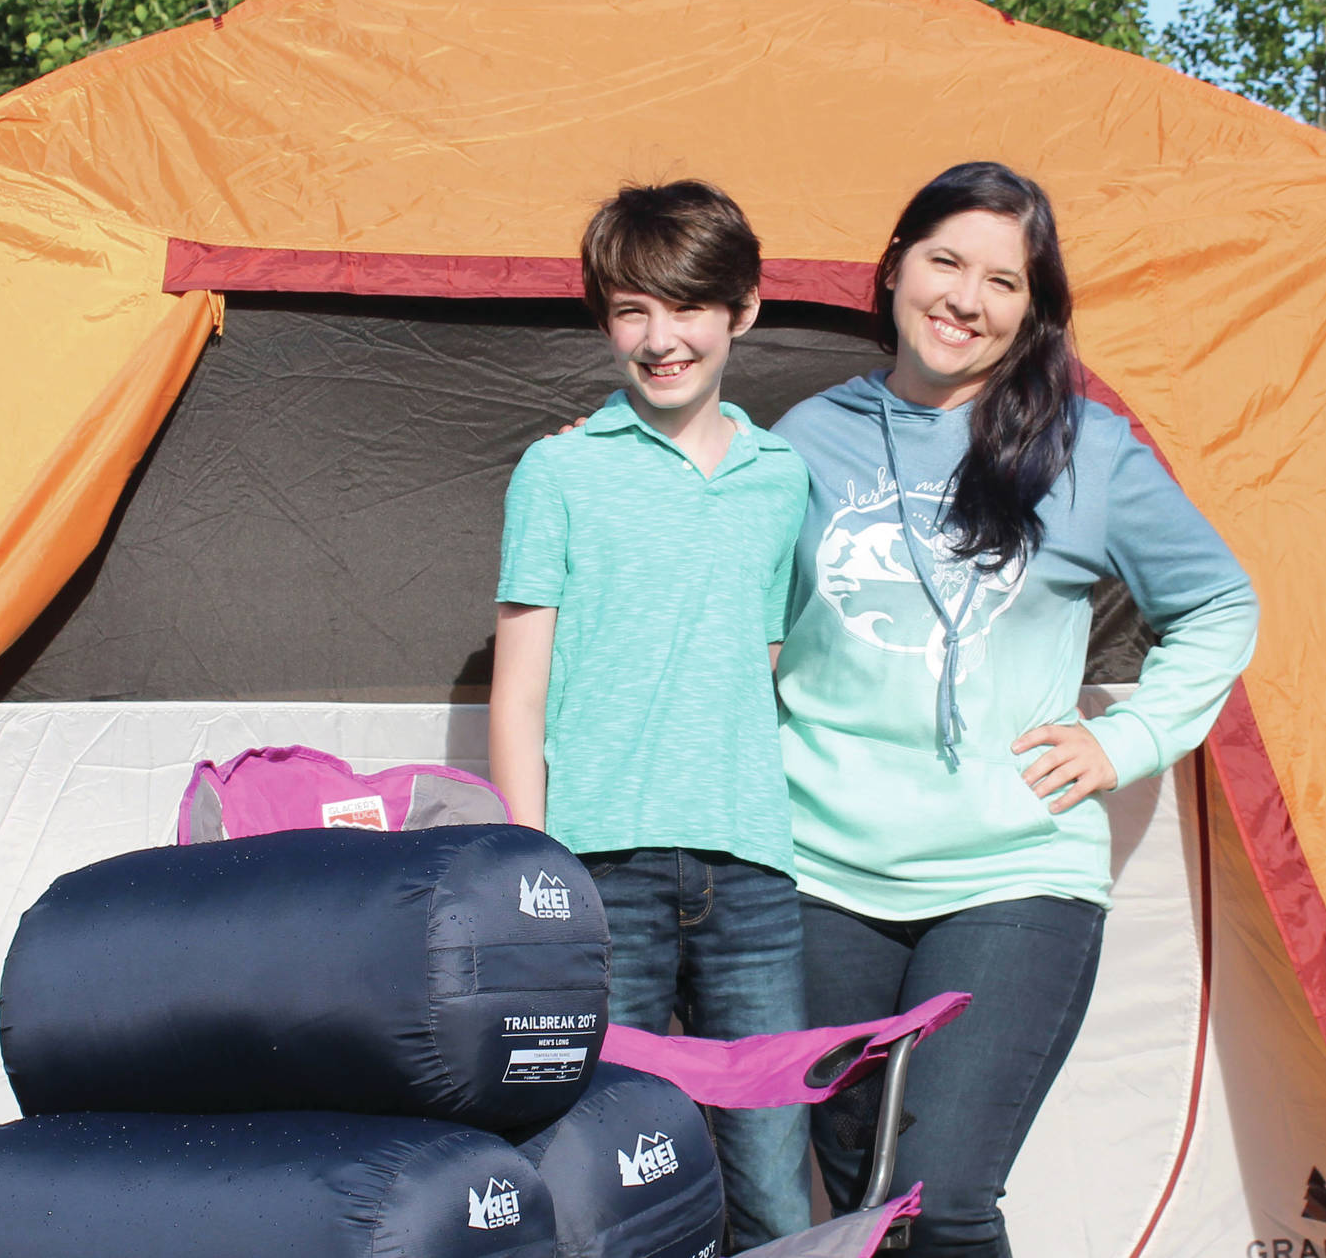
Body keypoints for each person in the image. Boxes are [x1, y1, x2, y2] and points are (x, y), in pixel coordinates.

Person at [771, 161, 1259, 1256]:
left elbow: (1220, 602)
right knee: (866, 1214)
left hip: (1012, 869)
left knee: (938, 1201)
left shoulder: (1087, 449)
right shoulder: (800, 440)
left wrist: (1124, 737)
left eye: (1003, 280)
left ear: (1031, 310)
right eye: (944, 260)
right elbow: (733, 615)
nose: (965, 298)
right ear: (893, 267)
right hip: (814, 870)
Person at [489, 180, 814, 1250]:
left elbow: (754, 660)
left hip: (752, 871)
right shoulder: (558, 468)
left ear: (742, 310)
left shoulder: (783, 480)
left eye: (684, 308)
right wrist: (537, 878)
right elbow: (520, 688)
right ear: (605, 323)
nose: (659, 337)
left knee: (768, 1175)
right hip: (600, 869)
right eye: (631, 310)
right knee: (605, 1174)